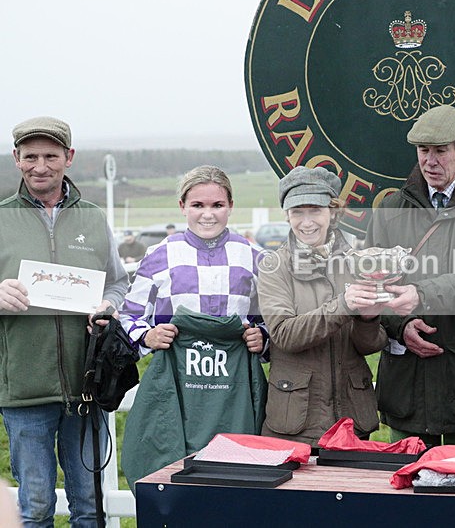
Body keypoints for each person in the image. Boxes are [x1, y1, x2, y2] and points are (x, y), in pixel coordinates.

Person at [0, 116, 129, 526]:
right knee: (35, 507)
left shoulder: (92, 218)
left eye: (51, 155)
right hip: (24, 389)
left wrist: (106, 307)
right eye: (31, 156)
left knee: (89, 507)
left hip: (85, 385)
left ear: (68, 158)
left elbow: (117, 283)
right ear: (17, 159)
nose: (41, 165)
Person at [364, 105, 455, 446]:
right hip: (406, 384)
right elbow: (373, 285)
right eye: (423, 151)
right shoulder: (390, 209)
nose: (430, 161)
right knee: (407, 487)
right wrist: (401, 326)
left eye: (440, 151)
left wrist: (421, 293)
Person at [119, 165, 268, 488]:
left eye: (217, 205)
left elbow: (270, 320)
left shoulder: (254, 256)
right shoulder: (160, 254)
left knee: (237, 479)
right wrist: (148, 335)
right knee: (179, 476)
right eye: (198, 205)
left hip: (234, 390)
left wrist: (263, 338)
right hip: (178, 388)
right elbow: (128, 315)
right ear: (182, 207)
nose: (208, 215)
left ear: (230, 206)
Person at [258, 166, 387, 445]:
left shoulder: (357, 262)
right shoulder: (273, 267)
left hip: (353, 421)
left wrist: (368, 320)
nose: (306, 222)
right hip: (297, 424)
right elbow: (284, 335)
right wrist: (343, 305)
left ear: (334, 211)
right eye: (297, 212)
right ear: (287, 216)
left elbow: (367, 347)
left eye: (315, 210)